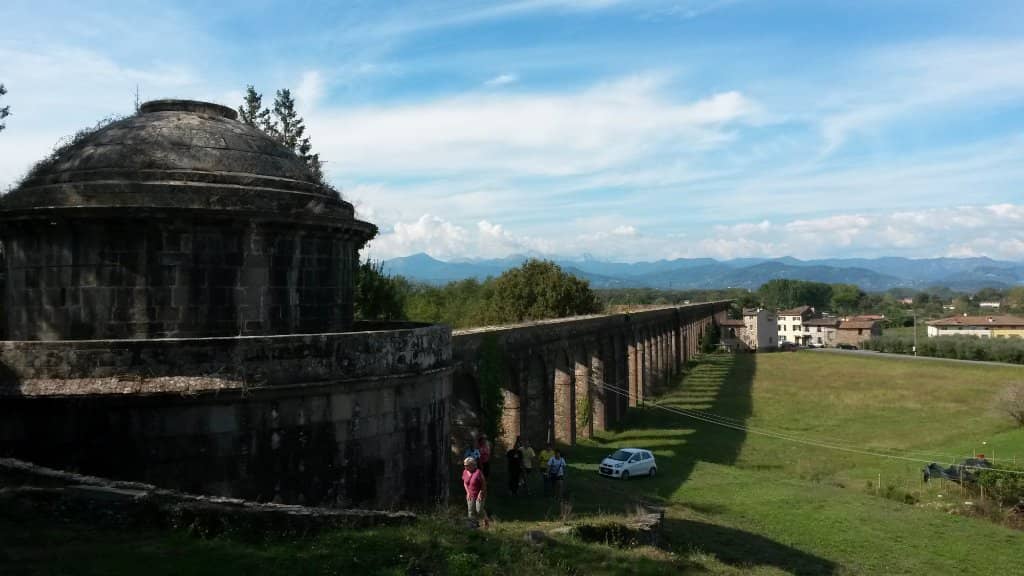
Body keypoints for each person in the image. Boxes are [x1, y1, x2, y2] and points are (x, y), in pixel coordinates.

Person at [462, 457, 486, 524]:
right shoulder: (465, 472)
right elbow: (465, 483)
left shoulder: (478, 472)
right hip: (470, 494)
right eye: (464, 465)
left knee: (479, 510)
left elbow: (483, 484)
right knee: (470, 511)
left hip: (479, 494)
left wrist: (480, 493)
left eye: (467, 465)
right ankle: (473, 525)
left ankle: (485, 518)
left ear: (472, 465)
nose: (465, 467)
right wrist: (468, 492)